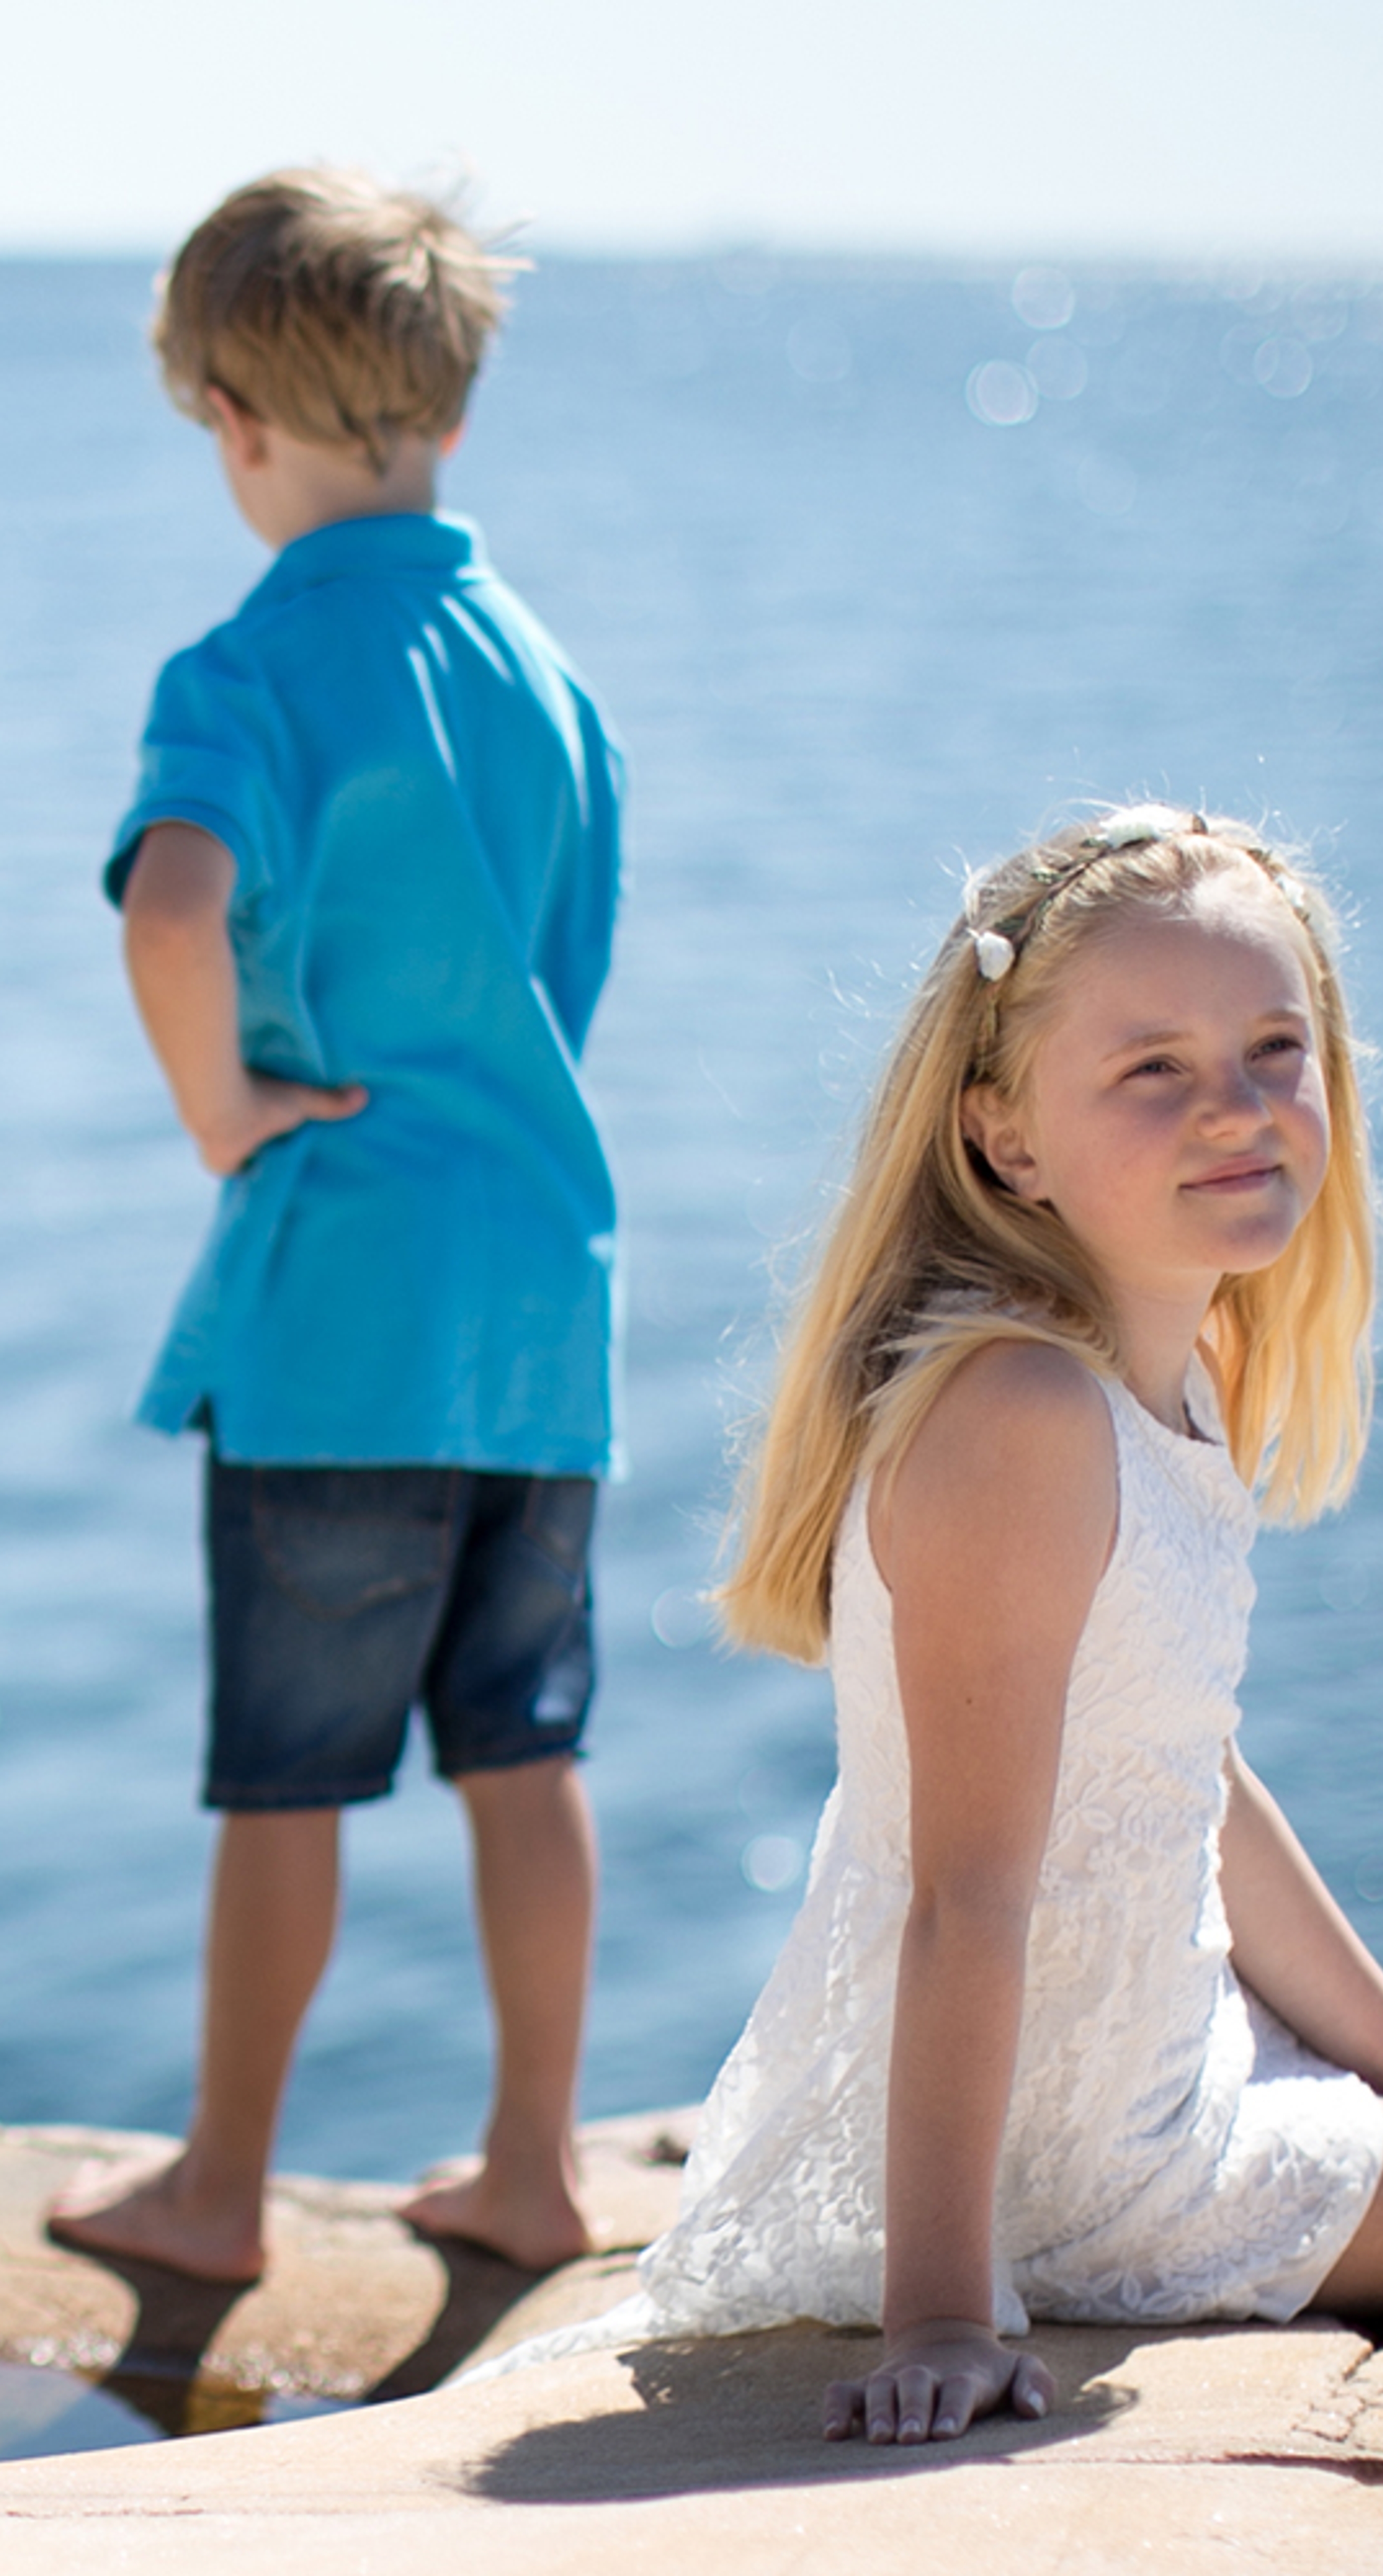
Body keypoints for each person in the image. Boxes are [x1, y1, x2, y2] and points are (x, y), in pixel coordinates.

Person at [474, 804, 1383, 2436]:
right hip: (1094, 2160)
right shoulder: (1022, 1418)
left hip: (1152, 2060)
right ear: (1006, 1138)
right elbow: (965, 1894)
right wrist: (942, 2310)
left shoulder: (1168, 1370)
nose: (1238, 1107)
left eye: (1275, 1047)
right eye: (1154, 1069)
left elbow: (1185, 1780)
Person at [48, 170, 625, 2284]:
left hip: (343, 1313)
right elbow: (566, 978)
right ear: (448, 413)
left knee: (285, 1778)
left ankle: (217, 2189)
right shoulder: (550, 677)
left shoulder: (251, 665)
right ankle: (536, 2163)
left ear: (226, 416)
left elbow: (176, 901)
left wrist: (221, 1107)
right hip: (547, 1304)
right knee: (524, 1744)